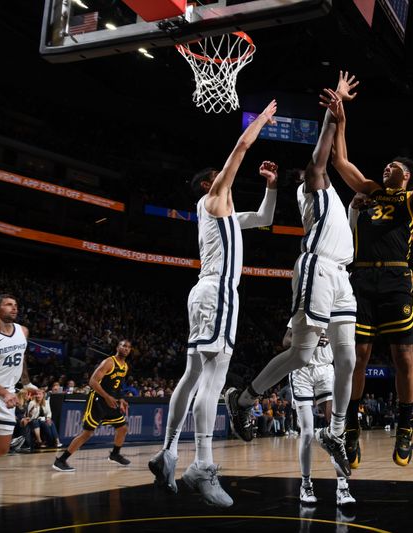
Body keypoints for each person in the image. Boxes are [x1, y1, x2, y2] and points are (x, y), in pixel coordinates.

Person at [323, 88, 413, 467]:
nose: (386, 167)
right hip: (360, 282)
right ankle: (350, 428)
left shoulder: (411, 201)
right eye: (386, 165)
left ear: (406, 176)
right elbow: (340, 161)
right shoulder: (369, 193)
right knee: (357, 358)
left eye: (394, 167)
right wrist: (342, 119)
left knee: (404, 355)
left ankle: (405, 428)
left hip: (396, 281)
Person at [225, 71, 360, 479]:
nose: (317, 171)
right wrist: (331, 114)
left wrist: (342, 115)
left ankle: (336, 431)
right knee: (301, 354)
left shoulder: (334, 196)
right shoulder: (312, 187)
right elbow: (321, 155)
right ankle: (245, 400)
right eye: (311, 172)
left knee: (348, 359)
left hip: (341, 276)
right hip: (316, 268)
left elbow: (338, 155)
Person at [148, 100, 279, 508]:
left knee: (191, 376)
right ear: (209, 184)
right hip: (218, 292)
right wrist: (261, 121)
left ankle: (167, 452)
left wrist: (272, 187)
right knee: (213, 377)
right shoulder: (214, 198)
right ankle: (201, 464)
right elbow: (240, 148)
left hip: (203, 293)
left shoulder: (224, 215)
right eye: (217, 177)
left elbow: (263, 218)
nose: (225, 179)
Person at [285, 327, 355, 506]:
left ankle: (342, 488)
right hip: (301, 371)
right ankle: (306, 485)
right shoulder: (303, 307)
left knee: (336, 429)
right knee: (307, 432)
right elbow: (285, 341)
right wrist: (308, 342)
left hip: (325, 370)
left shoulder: (334, 312)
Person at [52, 339, 133, 472]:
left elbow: (117, 387)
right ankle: (61, 460)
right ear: (117, 347)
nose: (126, 348)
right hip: (97, 400)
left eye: (128, 347)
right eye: (124, 345)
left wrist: (121, 399)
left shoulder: (125, 366)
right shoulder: (109, 362)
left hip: (111, 400)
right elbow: (92, 381)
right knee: (87, 433)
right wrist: (106, 397)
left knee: (122, 428)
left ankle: (115, 454)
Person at [0, 294, 37, 459]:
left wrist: (27, 384)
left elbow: (21, 358)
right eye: (8, 305)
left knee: (1, 449)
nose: (14, 308)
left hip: (9, 392)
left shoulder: (23, 331)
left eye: (15, 304)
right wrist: (4, 393)